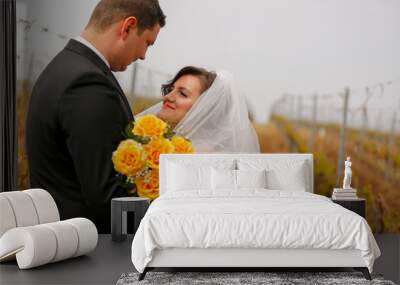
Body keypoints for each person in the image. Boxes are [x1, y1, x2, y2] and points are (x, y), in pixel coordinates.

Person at [26, 0, 166, 233]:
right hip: (84, 246)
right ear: (128, 27)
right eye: (147, 43)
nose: (142, 56)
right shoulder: (87, 84)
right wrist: (167, 215)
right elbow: (107, 198)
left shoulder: (66, 66)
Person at [139, 66, 260, 153]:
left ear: (205, 109)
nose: (167, 97)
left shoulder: (206, 159)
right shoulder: (148, 140)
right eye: (170, 90)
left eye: (182, 93)